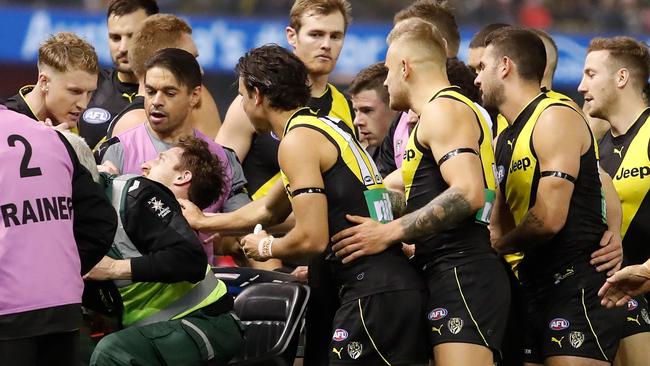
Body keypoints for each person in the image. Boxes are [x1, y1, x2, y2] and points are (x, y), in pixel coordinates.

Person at [182, 44, 428, 365]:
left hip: (372, 292)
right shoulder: (324, 126)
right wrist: (203, 221)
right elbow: (268, 210)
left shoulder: (297, 141)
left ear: (257, 95)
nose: (241, 104)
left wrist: (267, 247)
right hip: (387, 288)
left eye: (242, 96)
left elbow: (312, 238)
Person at [331, 18, 511, 366]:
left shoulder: (444, 110)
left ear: (404, 67)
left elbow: (469, 192)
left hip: (464, 274)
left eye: (387, 70)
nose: (385, 81)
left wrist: (389, 232)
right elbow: (422, 197)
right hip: (444, 271)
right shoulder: (431, 116)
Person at [475, 27, 625, 365]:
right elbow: (498, 223)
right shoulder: (503, 140)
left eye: (482, 68)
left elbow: (548, 218)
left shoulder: (554, 116)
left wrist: (613, 231)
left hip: (578, 286)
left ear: (505, 67)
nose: (476, 79)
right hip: (532, 286)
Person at [87, 136, 243, 366]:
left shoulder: (151, 204)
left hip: (204, 321)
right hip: (152, 331)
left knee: (111, 352)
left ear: (183, 176)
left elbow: (189, 260)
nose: (144, 165)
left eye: (159, 160)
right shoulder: (133, 206)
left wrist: (112, 269)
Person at [98, 47, 249, 262]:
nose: (156, 101)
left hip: (197, 287)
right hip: (131, 289)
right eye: (150, 91)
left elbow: (245, 229)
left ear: (194, 95)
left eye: (169, 93)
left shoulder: (223, 158)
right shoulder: (117, 151)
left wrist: (219, 231)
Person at [0, 105, 117, 365]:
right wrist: (65, 268)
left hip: (7, 313)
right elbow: (100, 221)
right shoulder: (50, 136)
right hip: (62, 307)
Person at [216, 0, 356, 202]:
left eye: (336, 36)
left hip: (321, 230)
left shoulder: (347, 107)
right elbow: (217, 179)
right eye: (316, 34)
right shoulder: (254, 100)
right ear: (292, 36)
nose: (326, 45)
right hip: (253, 229)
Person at [577, 36, 650, 365]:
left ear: (621, 78)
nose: (580, 85)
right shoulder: (599, 149)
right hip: (621, 301)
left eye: (591, 74)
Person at [105, 14, 223, 141]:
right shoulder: (133, 124)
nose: (200, 71)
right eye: (191, 59)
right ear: (161, 60)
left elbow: (217, 155)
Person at [78, 0, 158, 149]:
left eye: (133, 37)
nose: (122, 48)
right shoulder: (90, 85)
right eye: (115, 38)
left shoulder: (174, 94)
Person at [3, 32, 99, 133]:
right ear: (44, 82)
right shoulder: (6, 123)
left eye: (89, 93)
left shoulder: (82, 123)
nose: (83, 105)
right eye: (75, 91)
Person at [347, 62, 399, 176]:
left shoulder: (424, 151)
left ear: (395, 106)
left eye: (367, 110)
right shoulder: (367, 157)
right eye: (356, 111)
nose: (357, 121)